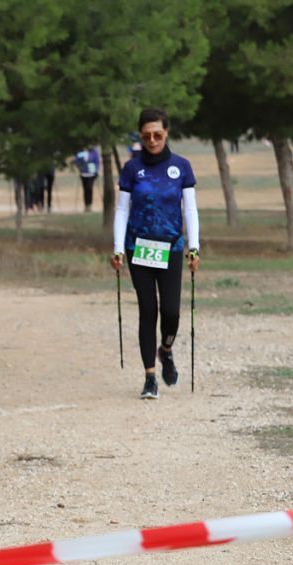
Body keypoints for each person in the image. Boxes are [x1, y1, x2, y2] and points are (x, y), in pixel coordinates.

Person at [110, 108, 200, 399]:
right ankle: (150, 377)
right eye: (146, 135)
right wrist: (117, 247)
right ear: (140, 135)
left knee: (171, 312)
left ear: (167, 133)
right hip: (139, 248)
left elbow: (190, 209)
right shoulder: (131, 168)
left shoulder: (181, 166)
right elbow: (123, 209)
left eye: (157, 134)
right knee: (148, 310)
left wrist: (194, 246)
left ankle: (166, 350)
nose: (152, 140)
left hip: (171, 247)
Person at [74, 147, 100, 212]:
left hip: (92, 173)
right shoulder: (80, 151)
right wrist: (79, 167)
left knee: (89, 188)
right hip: (83, 173)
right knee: (85, 189)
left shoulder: (94, 151)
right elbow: (77, 160)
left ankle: (89, 205)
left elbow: (97, 162)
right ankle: (86, 205)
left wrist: (96, 170)